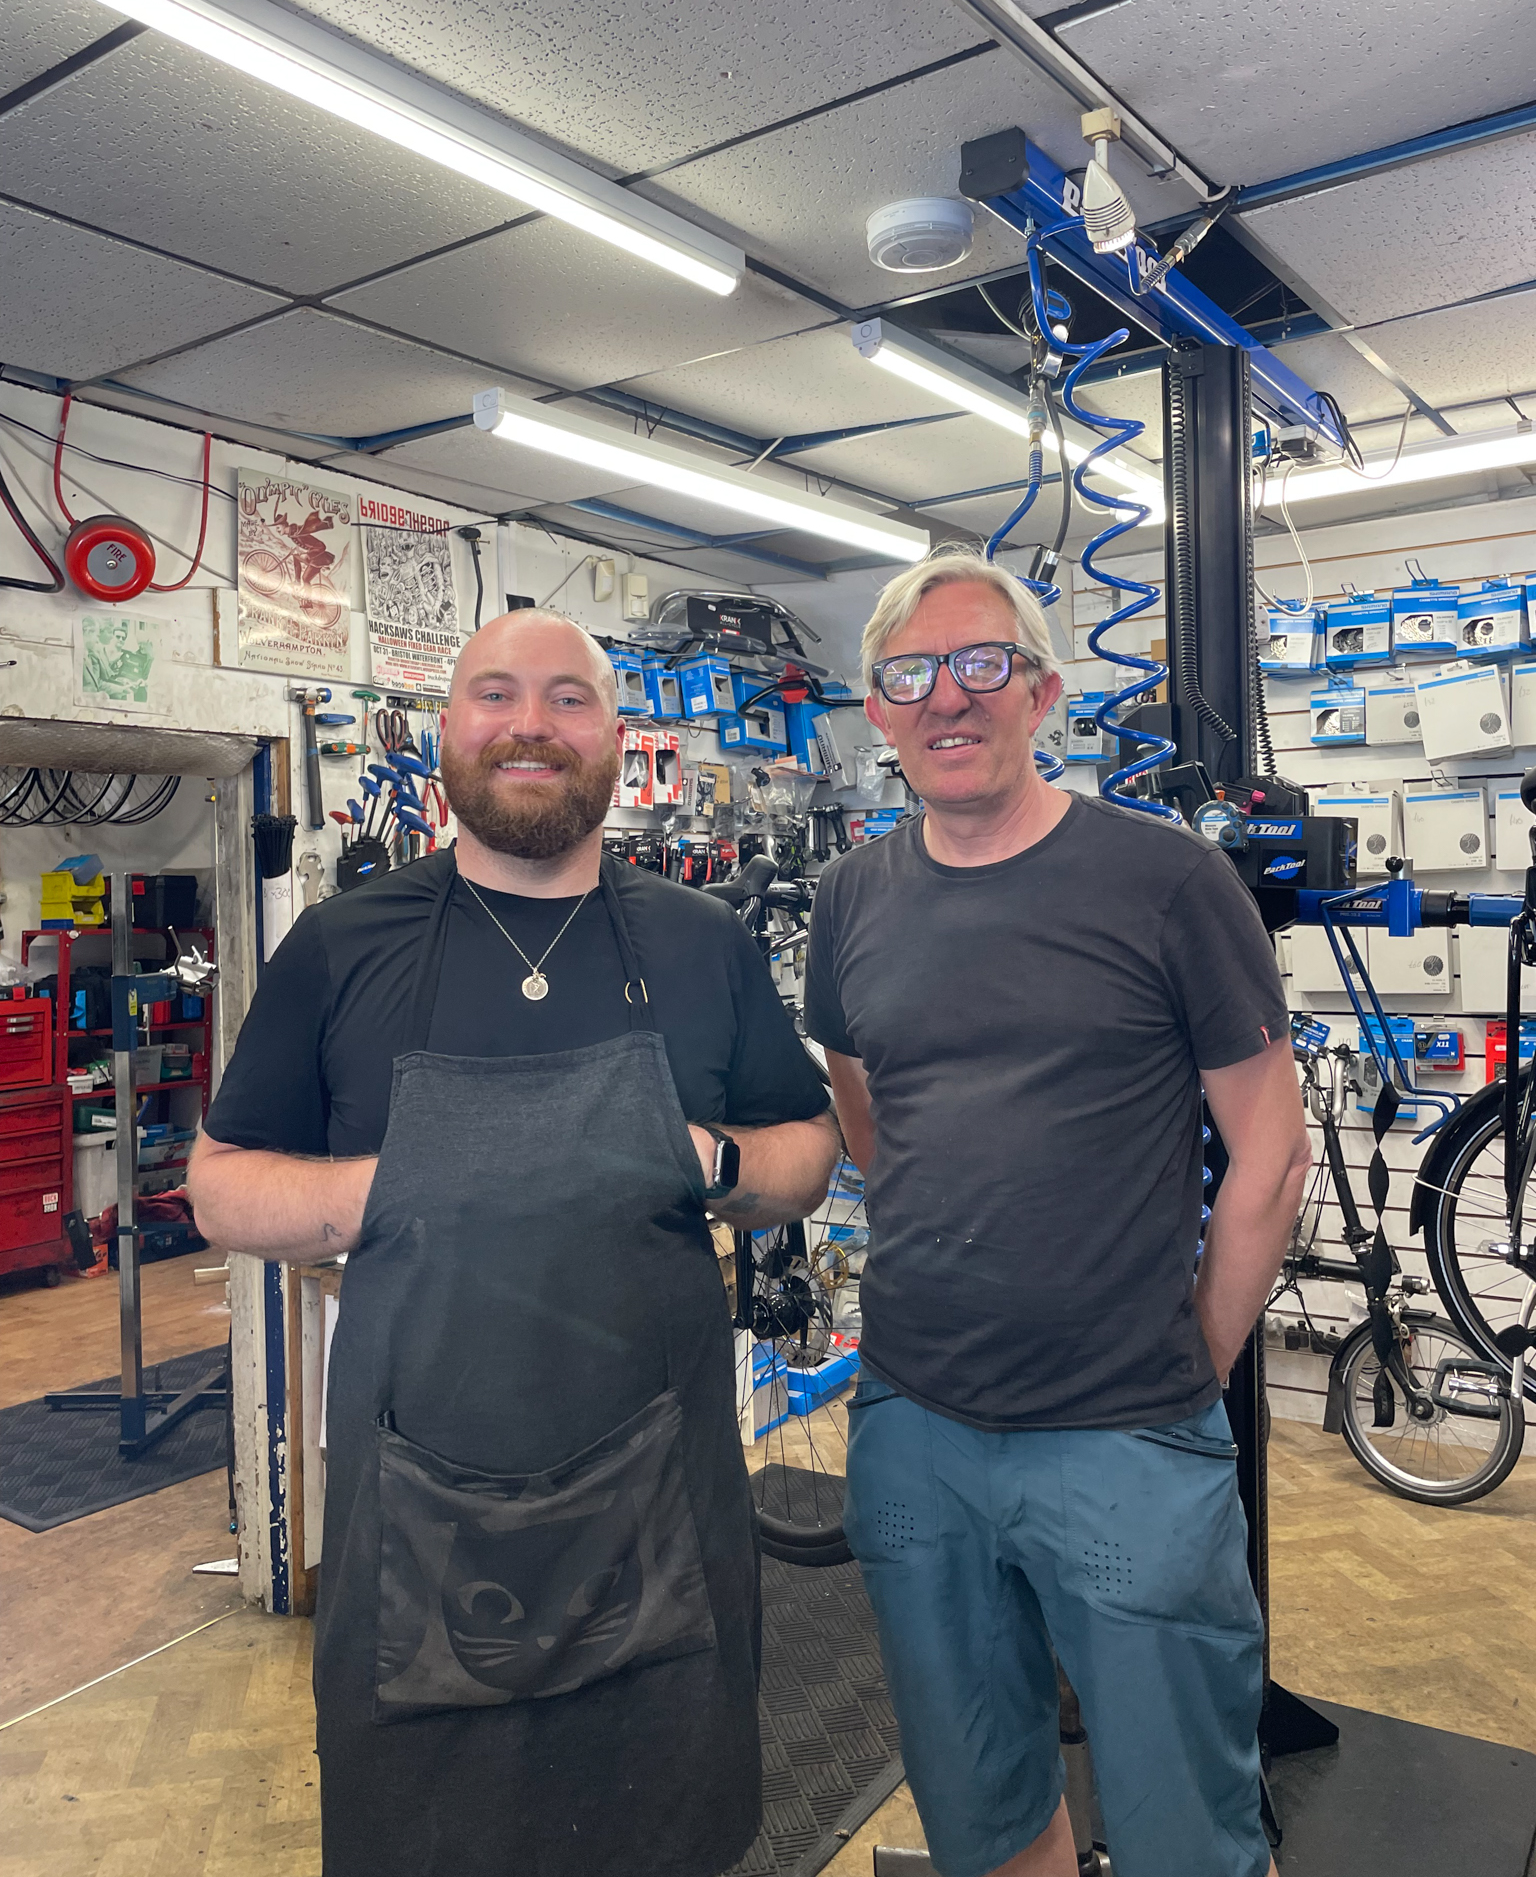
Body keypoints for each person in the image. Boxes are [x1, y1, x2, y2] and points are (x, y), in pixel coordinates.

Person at [189, 607, 838, 1877]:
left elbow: (807, 1148)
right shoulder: (344, 944)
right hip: (417, 1505)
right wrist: (403, 1182)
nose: (530, 724)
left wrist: (712, 1162)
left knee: (663, 1835)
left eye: (568, 698)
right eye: (496, 693)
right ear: (448, 729)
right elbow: (220, 1188)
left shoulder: (700, 942)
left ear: (616, 738)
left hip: (664, 1503)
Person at [803, 550, 1311, 1877]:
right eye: (910, 674)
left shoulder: (1167, 882)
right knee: (981, 1809)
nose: (947, 697)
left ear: (1043, 693)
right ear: (879, 709)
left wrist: (1190, 1356)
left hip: (1124, 1432)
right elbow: (872, 1120)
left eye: (983, 663)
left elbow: (1270, 1154)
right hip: (915, 1424)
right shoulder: (852, 897)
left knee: (1187, 1833)